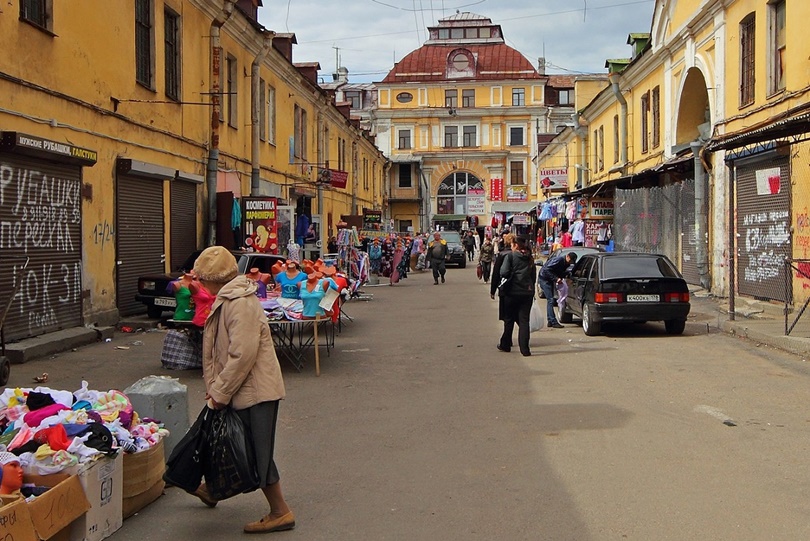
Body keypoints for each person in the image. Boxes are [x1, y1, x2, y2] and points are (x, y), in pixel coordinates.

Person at [192, 246, 294, 533]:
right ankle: (214, 489)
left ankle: (280, 512)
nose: (199, 282)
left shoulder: (239, 303)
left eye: (202, 278)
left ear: (214, 279)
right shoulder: (228, 299)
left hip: (255, 391)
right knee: (234, 444)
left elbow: (242, 355)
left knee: (255, 452)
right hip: (242, 389)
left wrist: (219, 392)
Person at [497, 236, 537, 357]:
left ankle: (505, 345)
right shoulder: (530, 258)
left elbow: (503, 272)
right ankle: (525, 349)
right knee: (524, 321)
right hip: (527, 293)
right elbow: (533, 277)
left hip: (512, 292)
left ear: (515, 245)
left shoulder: (510, 257)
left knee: (509, 319)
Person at [537, 251, 578, 329]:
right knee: (551, 300)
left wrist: (566, 275)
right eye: (571, 261)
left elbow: (559, 272)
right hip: (544, 279)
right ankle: (553, 321)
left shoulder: (565, 263)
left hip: (549, 280)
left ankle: (550, 320)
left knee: (550, 300)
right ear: (567, 257)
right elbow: (546, 270)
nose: (570, 263)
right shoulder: (559, 260)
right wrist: (556, 279)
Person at [490, 233, 513, 335]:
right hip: (521, 288)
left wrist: (493, 290)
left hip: (505, 288)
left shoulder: (502, 255)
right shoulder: (522, 254)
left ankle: (507, 339)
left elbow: (496, 273)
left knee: (507, 315)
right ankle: (523, 340)